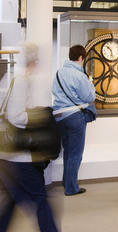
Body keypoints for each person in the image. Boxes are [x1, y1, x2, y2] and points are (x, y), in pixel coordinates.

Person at [0, 43, 58, 232]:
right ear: (32, 63)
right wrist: (40, 116)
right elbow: (16, 117)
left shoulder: (8, 78)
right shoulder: (20, 81)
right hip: (14, 155)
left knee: (7, 200)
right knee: (39, 197)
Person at [52, 44, 96, 196]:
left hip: (59, 117)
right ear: (80, 58)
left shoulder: (58, 73)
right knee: (76, 153)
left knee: (68, 152)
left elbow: (54, 91)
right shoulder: (80, 75)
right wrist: (91, 85)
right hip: (75, 117)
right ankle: (71, 188)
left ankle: (66, 182)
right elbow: (89, 97)